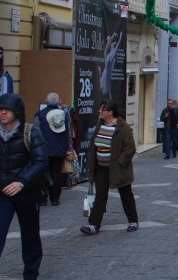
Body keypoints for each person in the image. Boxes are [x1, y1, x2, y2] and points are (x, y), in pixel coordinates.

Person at [0, 93, 47, 280]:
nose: (3, 113)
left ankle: (31, 274)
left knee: (30, 236)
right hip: (1, 193)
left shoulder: (31, 132)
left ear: (17, 112)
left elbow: (40, 162)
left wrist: (21, 182)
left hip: (27, 193)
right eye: (0, 109)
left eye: (7, 109)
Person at [80, 100, 138, 235]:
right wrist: (92, 164)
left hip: (118, 169)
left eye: (102, 110)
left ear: (111, 112)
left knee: (126, 195)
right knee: (100, 196)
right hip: (101, 168)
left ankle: (133, 221)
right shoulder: (100, 125)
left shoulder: (122, 127)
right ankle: (93, 225)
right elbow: (94, 147)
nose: (100, 112)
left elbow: (130, 148)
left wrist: (119, 163)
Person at [33, 92, 72, 206]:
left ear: (46, 100)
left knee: (43, 174)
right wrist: (65, 147)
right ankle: (55, 198)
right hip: (59, 149)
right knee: (56, 174)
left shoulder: (40, 114)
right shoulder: (64, 115)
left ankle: (43, 198)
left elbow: (36, 133)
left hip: (44, 149)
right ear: (58, 101)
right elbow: (68, 133)